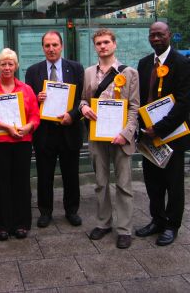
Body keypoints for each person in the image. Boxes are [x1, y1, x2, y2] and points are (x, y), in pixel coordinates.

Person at [80, 29, 139, 249]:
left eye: (106, 42)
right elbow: (83, 100)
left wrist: (126, 133)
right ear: (95, 47)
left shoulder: (130, 73)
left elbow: (134, 107)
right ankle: (104, 223)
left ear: (114, 44)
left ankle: (124, 229)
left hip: (121, 137)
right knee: (100, 182)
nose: (102, 46)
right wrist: (84, 108)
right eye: (98, 43)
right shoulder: (88, 73)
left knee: (124, 184)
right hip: (97, 136)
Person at [135, 22, 190, 246]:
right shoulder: (145, 63)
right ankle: (157, 220)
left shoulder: (182, 62)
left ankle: (171, 225)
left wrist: (159, 128)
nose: (156, 38)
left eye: (160, 34)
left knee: (173, 183)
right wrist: (144, 129)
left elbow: (184, 102)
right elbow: (139, 98)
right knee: (153, 182)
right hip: (149, 135)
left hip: (173, 135)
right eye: (152, 35)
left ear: (168, 35)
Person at [0, 48, 40, 241]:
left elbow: (35, 116)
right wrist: (6, 127)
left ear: (16, 66)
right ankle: (1, 226)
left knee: (21, 184)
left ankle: (22, 224)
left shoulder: (26, 89)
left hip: (22, 142)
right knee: (1, 184)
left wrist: (28, 126)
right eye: (3, 64)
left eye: (10, 64)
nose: (7, 67)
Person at [25, 30, 84, 228]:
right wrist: (36, 98)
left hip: (69, 130)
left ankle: (72, 211)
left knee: (71, 175)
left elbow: (82, 99)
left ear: (61, 46)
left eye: (55, 45)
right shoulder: (33, 71)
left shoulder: (76, 68)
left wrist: (72, 116)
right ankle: (45, 212)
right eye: (47, 46)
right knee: (44, 175)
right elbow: (27, 103)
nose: (51, 49)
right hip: (44, 133)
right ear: (43, 48)